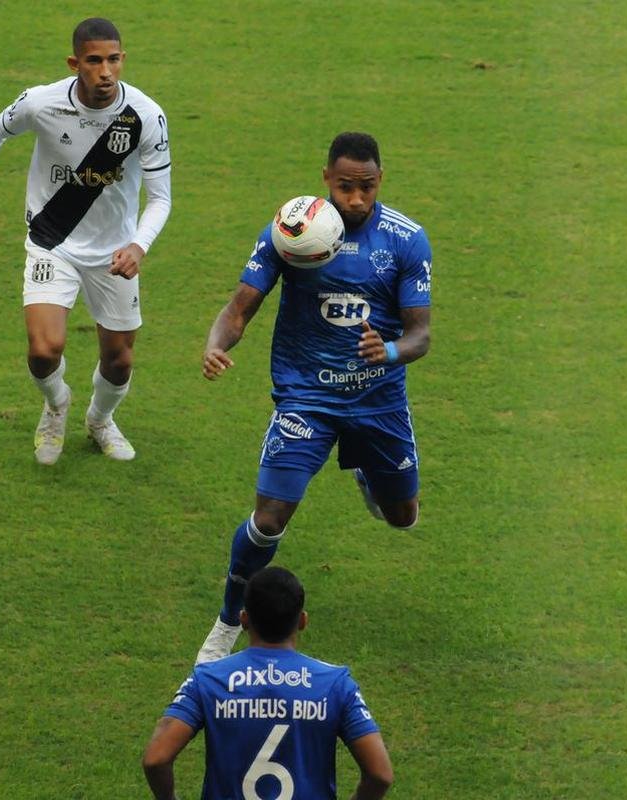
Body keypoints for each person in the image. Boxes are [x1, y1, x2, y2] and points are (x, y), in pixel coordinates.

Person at [194, 132, 432, 663]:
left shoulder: (406, 240)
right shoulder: (291, 231)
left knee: (403, 517)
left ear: (380, 182)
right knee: (269, 518)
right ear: (326, 177)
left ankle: (369, 474)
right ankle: (227, 623)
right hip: (306, 399)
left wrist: (390, 350)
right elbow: (240, 308)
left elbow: (421, 334)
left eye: (366, 187)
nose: (355, 199)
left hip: (378, 402)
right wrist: (215, 344)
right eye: (345, 186)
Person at [0, 17, 172, 465]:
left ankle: (100, 420)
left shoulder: (144, 116)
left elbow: (160, 199)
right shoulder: (42, 102)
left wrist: (138, 246)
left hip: (115, 253)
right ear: (74, 63)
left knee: (119, 361)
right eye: (94, 61)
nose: (106, 71)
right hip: (52, 241)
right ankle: (56, 404)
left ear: (123, 59)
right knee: (44, 350)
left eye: (114, 60)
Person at [143, 566, 393, 800]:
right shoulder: (336, 684)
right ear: (303, 621)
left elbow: (156, 759)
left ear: (243, 620)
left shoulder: (208, 679)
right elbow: (380, 774)